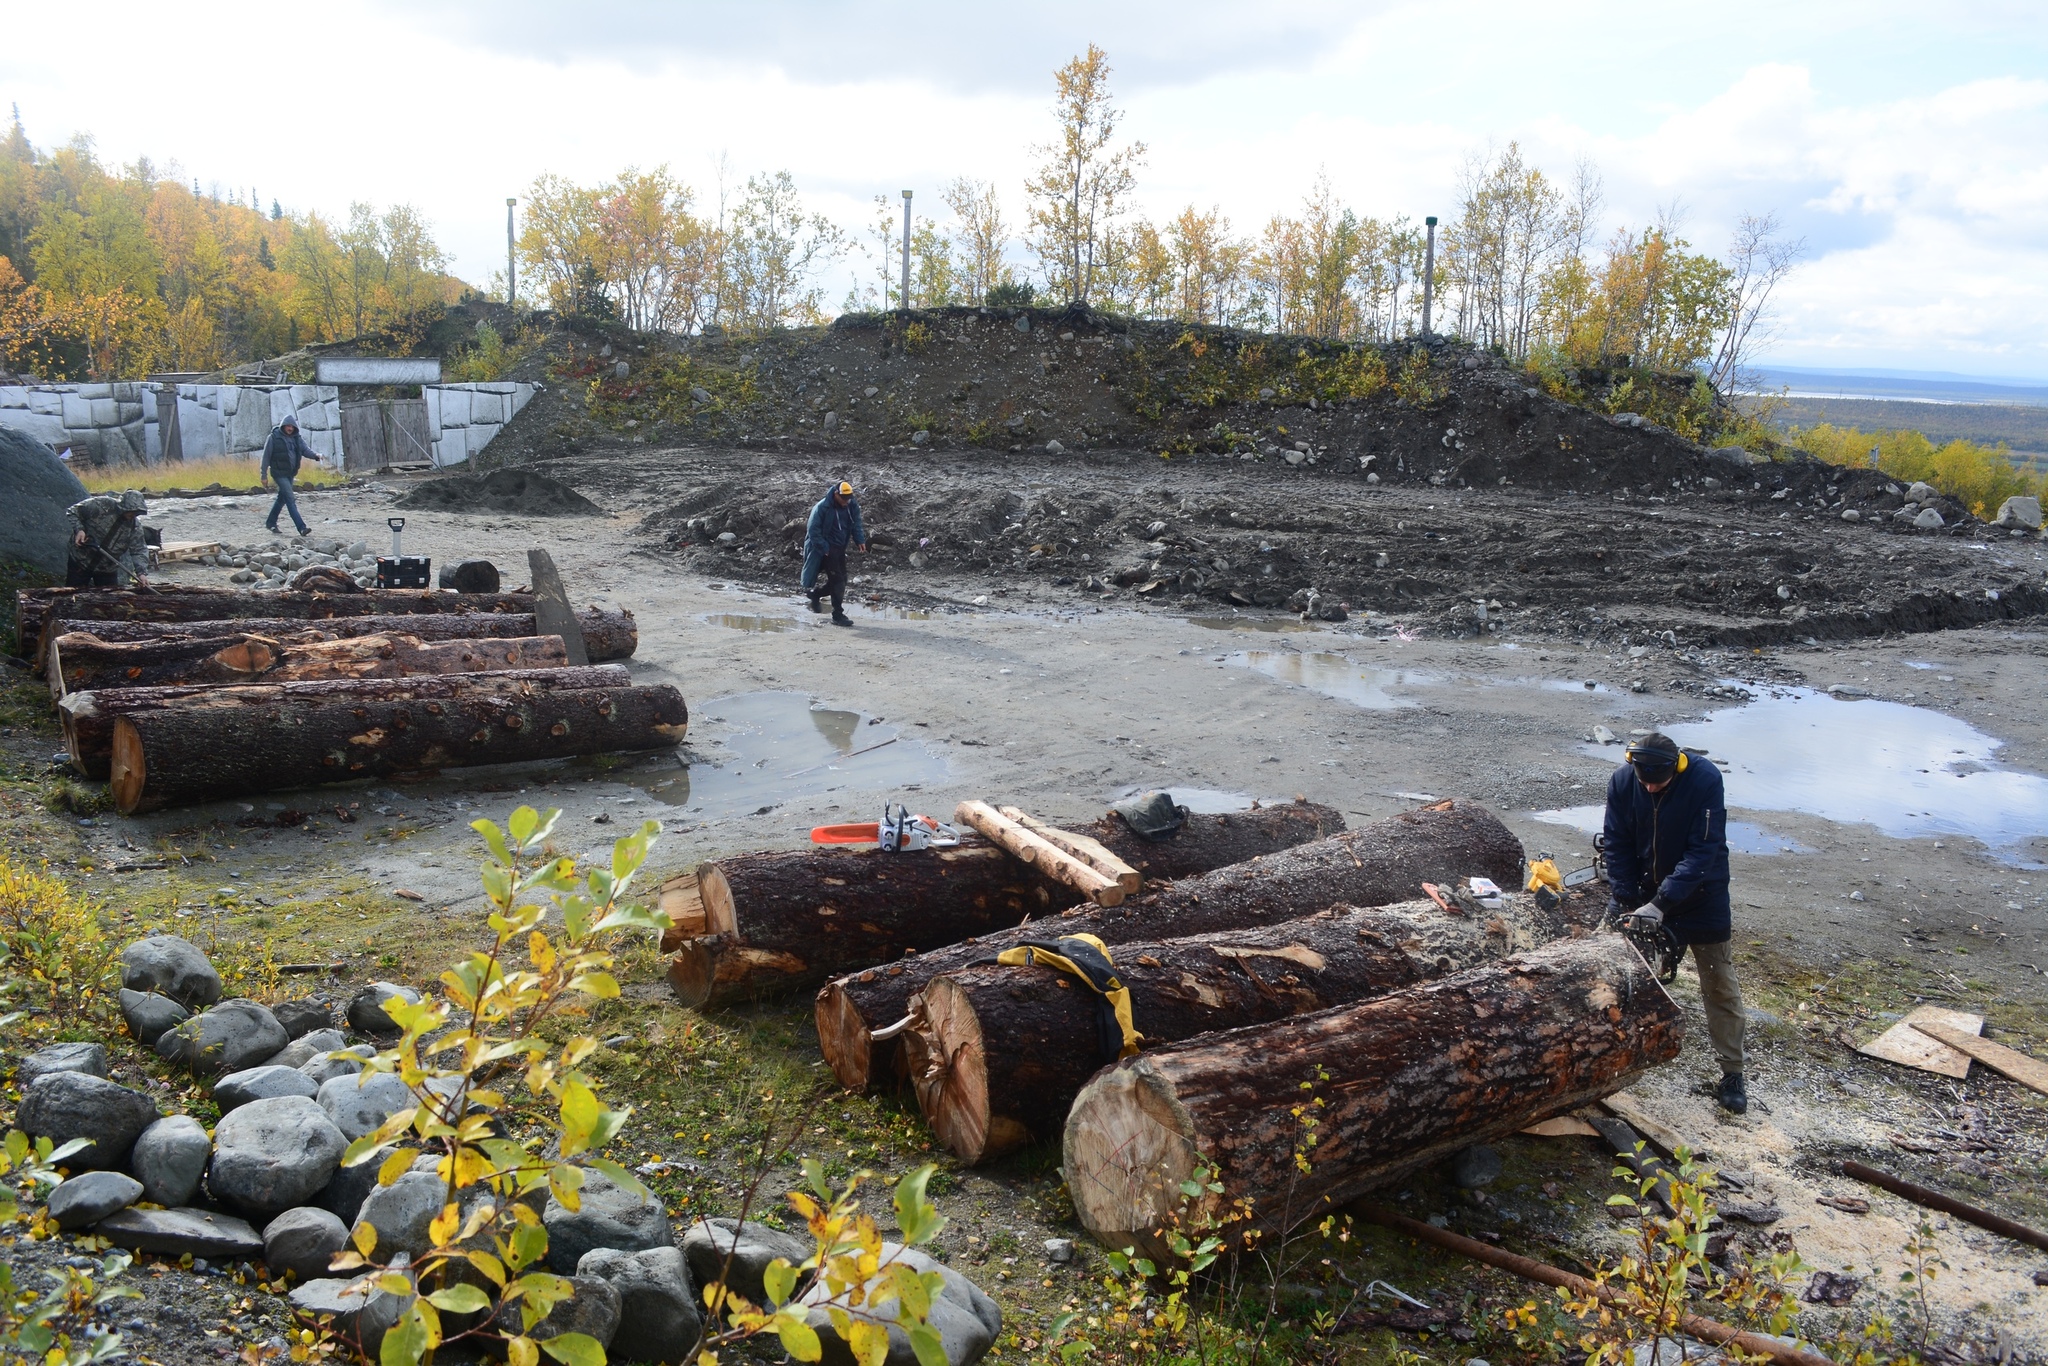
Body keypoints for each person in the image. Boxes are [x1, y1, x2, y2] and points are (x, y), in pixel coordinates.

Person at [1602, 732, 1748, 1113]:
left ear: (1676, 768)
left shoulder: (1704, 779)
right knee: (1622, 971)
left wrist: (1663, 903)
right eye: (1643, 779)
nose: (1649, 786)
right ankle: (1613, 1048)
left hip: (1702, 893)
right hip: (1644, 892)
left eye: (1657, 781)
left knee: (1718, 981)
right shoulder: (1622, 781)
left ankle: (1732, 1070)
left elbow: (1705, 848)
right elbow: (1616, 842)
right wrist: (1628, 897)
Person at [801, 480, 866, 626]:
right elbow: (813, 531)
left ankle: (815, 594)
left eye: (848, 499)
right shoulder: (822, 508)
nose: (846, 502)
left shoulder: (851, 504)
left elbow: (856, 522)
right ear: (836, 494)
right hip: (826, 549)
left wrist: (859, 540)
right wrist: (825, 549)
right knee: (838, 581)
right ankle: (838, 615)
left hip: (840, 548)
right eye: (844, 499)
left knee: (841, 580)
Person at [65, 489, 151, 587]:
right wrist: (79, 530)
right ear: (124, 506)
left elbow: (139, 550)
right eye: (132, 511)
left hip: (106, 568)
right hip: (80, 560)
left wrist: (142, 573)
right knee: (73, 594)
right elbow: (73, 512)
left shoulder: (135, 526)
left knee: (109, 598)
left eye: (137, 513)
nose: (133, 515)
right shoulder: (101, 504)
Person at [261, 415, 324, 536]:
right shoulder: (273, 438)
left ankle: (270, 522)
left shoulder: (296, 438)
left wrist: (316, 456)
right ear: (283, 426)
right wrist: (263, 475)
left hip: (290, 473)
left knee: (282, 499)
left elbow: (305, 450)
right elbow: (266, 458)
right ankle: (301, 527)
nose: (290, 428)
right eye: (288, 426)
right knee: (290, 498)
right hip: (278, 473)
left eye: (292, 426)